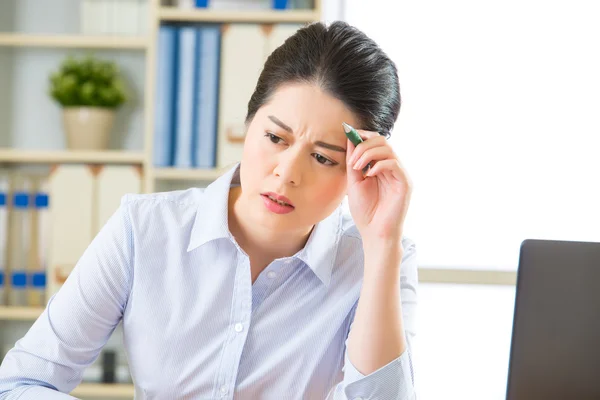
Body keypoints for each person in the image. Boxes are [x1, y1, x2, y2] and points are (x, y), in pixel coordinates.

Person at [0, 21, 418, 399]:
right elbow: (22, 383)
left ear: (358, 170)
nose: (286, 173)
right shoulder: (144, 229)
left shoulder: (378, 259)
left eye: (324, 158)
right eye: (275, 137)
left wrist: (382, 243)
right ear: (249, 123)